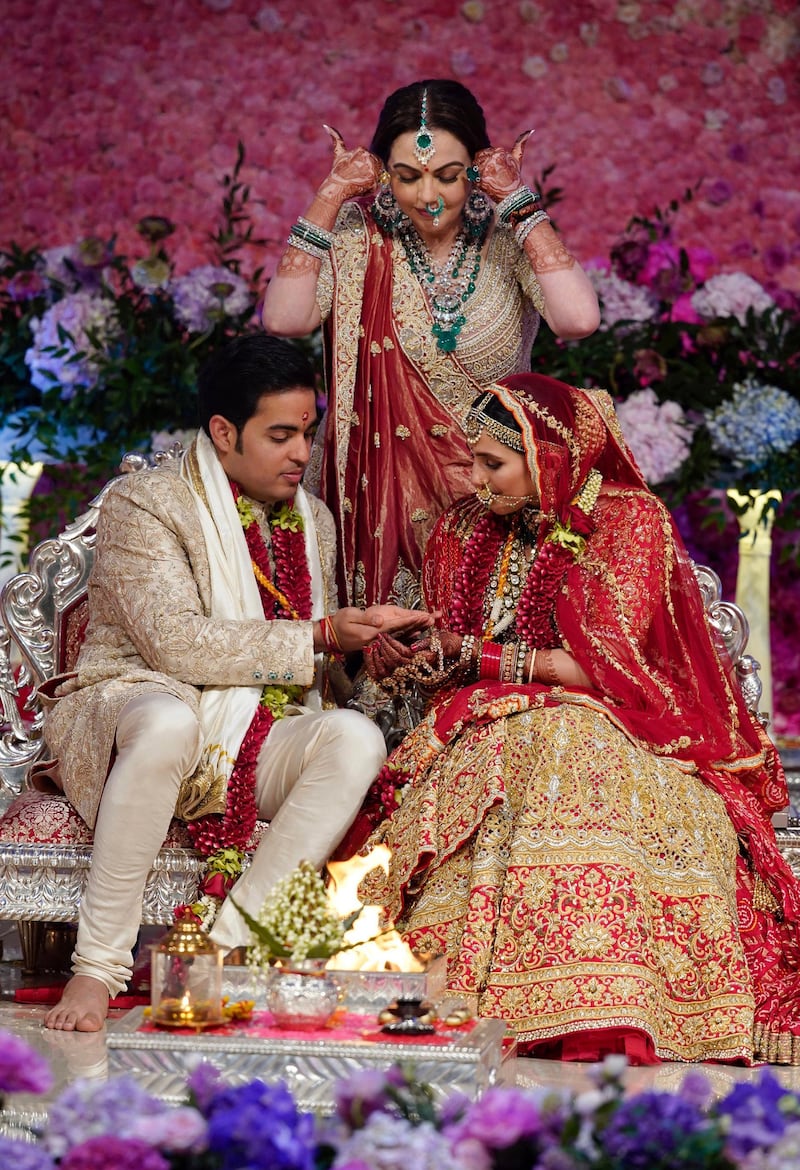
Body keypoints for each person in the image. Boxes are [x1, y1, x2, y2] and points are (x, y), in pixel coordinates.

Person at [358, 372, 800, 1065]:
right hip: (491, 723)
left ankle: (597, 993)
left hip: (623, 722)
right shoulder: (466, 526)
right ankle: (464, 974)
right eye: (470, 460)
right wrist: (416, 655)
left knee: (574, 742)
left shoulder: (628, 520)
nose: (475, 481)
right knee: (527, 754)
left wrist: (477, 656)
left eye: (494, 465)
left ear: (548, 458)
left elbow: (602, 669)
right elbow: (455, 644)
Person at [40, 332, 433, 1032]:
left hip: (257, 727)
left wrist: (363, 657)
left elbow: (313, 664)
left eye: (307, 433)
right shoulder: (147, 503)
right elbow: (177, 643)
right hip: (132, 700)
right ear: (224, 432)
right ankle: (96, 970)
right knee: (170, 723)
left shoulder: (312, 521)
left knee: (352, 736)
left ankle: (226, 953)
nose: (301, 455)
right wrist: (321, 635)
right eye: (279, 435)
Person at [261, 79, 600, 610]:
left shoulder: (508, 238)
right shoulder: (358, 238)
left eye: (448, 176)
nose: (428, 197)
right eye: (406, 177)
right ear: (382, 174)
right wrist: (330, 194)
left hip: (495, 495)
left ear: (476, 167)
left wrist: (518, 203)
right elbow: (284, 318)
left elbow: (578, 319)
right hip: (375, 503)